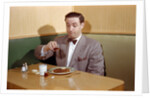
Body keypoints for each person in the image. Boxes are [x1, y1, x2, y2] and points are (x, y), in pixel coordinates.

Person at [34, 12, 105, 75]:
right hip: (60, 82)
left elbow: (97, 73)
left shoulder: (93, 45)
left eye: (74, 25)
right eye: (68, 25)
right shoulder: (59, 40)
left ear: (82, 25)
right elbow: (38, 54)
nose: (70, 29)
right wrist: (46, 48)